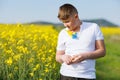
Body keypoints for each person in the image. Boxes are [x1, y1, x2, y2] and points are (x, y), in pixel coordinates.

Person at [56, 3, 106, 80]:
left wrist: (85, 56)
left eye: (67, 21)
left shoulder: (93, 27)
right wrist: (63, 57)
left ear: (76, 16)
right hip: (66, 75)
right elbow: (58, 57)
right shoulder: (63, 33)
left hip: (87, 76)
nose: (65, 25)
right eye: (63, 22)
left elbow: (102, 51)